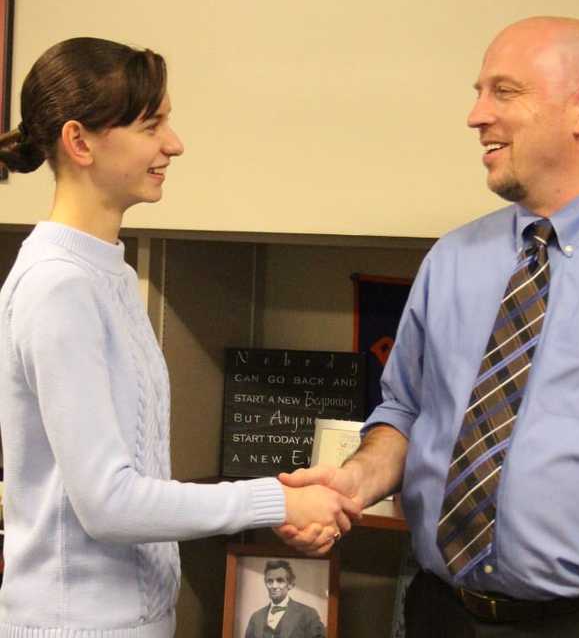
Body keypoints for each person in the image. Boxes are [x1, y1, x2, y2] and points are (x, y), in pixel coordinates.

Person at [276, 17, 579, 638]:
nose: (476, 115)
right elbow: (403, 414)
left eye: (503, 92)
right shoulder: (452, 259)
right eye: (479, 91)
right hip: (437, 613)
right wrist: (353, 480)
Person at [0, 37, 358, 637]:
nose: (174, 143)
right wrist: (276, 500)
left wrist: (283, 500)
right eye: (151, 125)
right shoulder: (58, 286)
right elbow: (108, 504)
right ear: (79, 141)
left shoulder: (104, 271)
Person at [244, 560, 325, 638]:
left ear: (290, 585)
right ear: (265, 583)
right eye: (270, 581)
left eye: (280, 581)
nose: (274, 586)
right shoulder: (256, 617)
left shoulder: (308, 614)